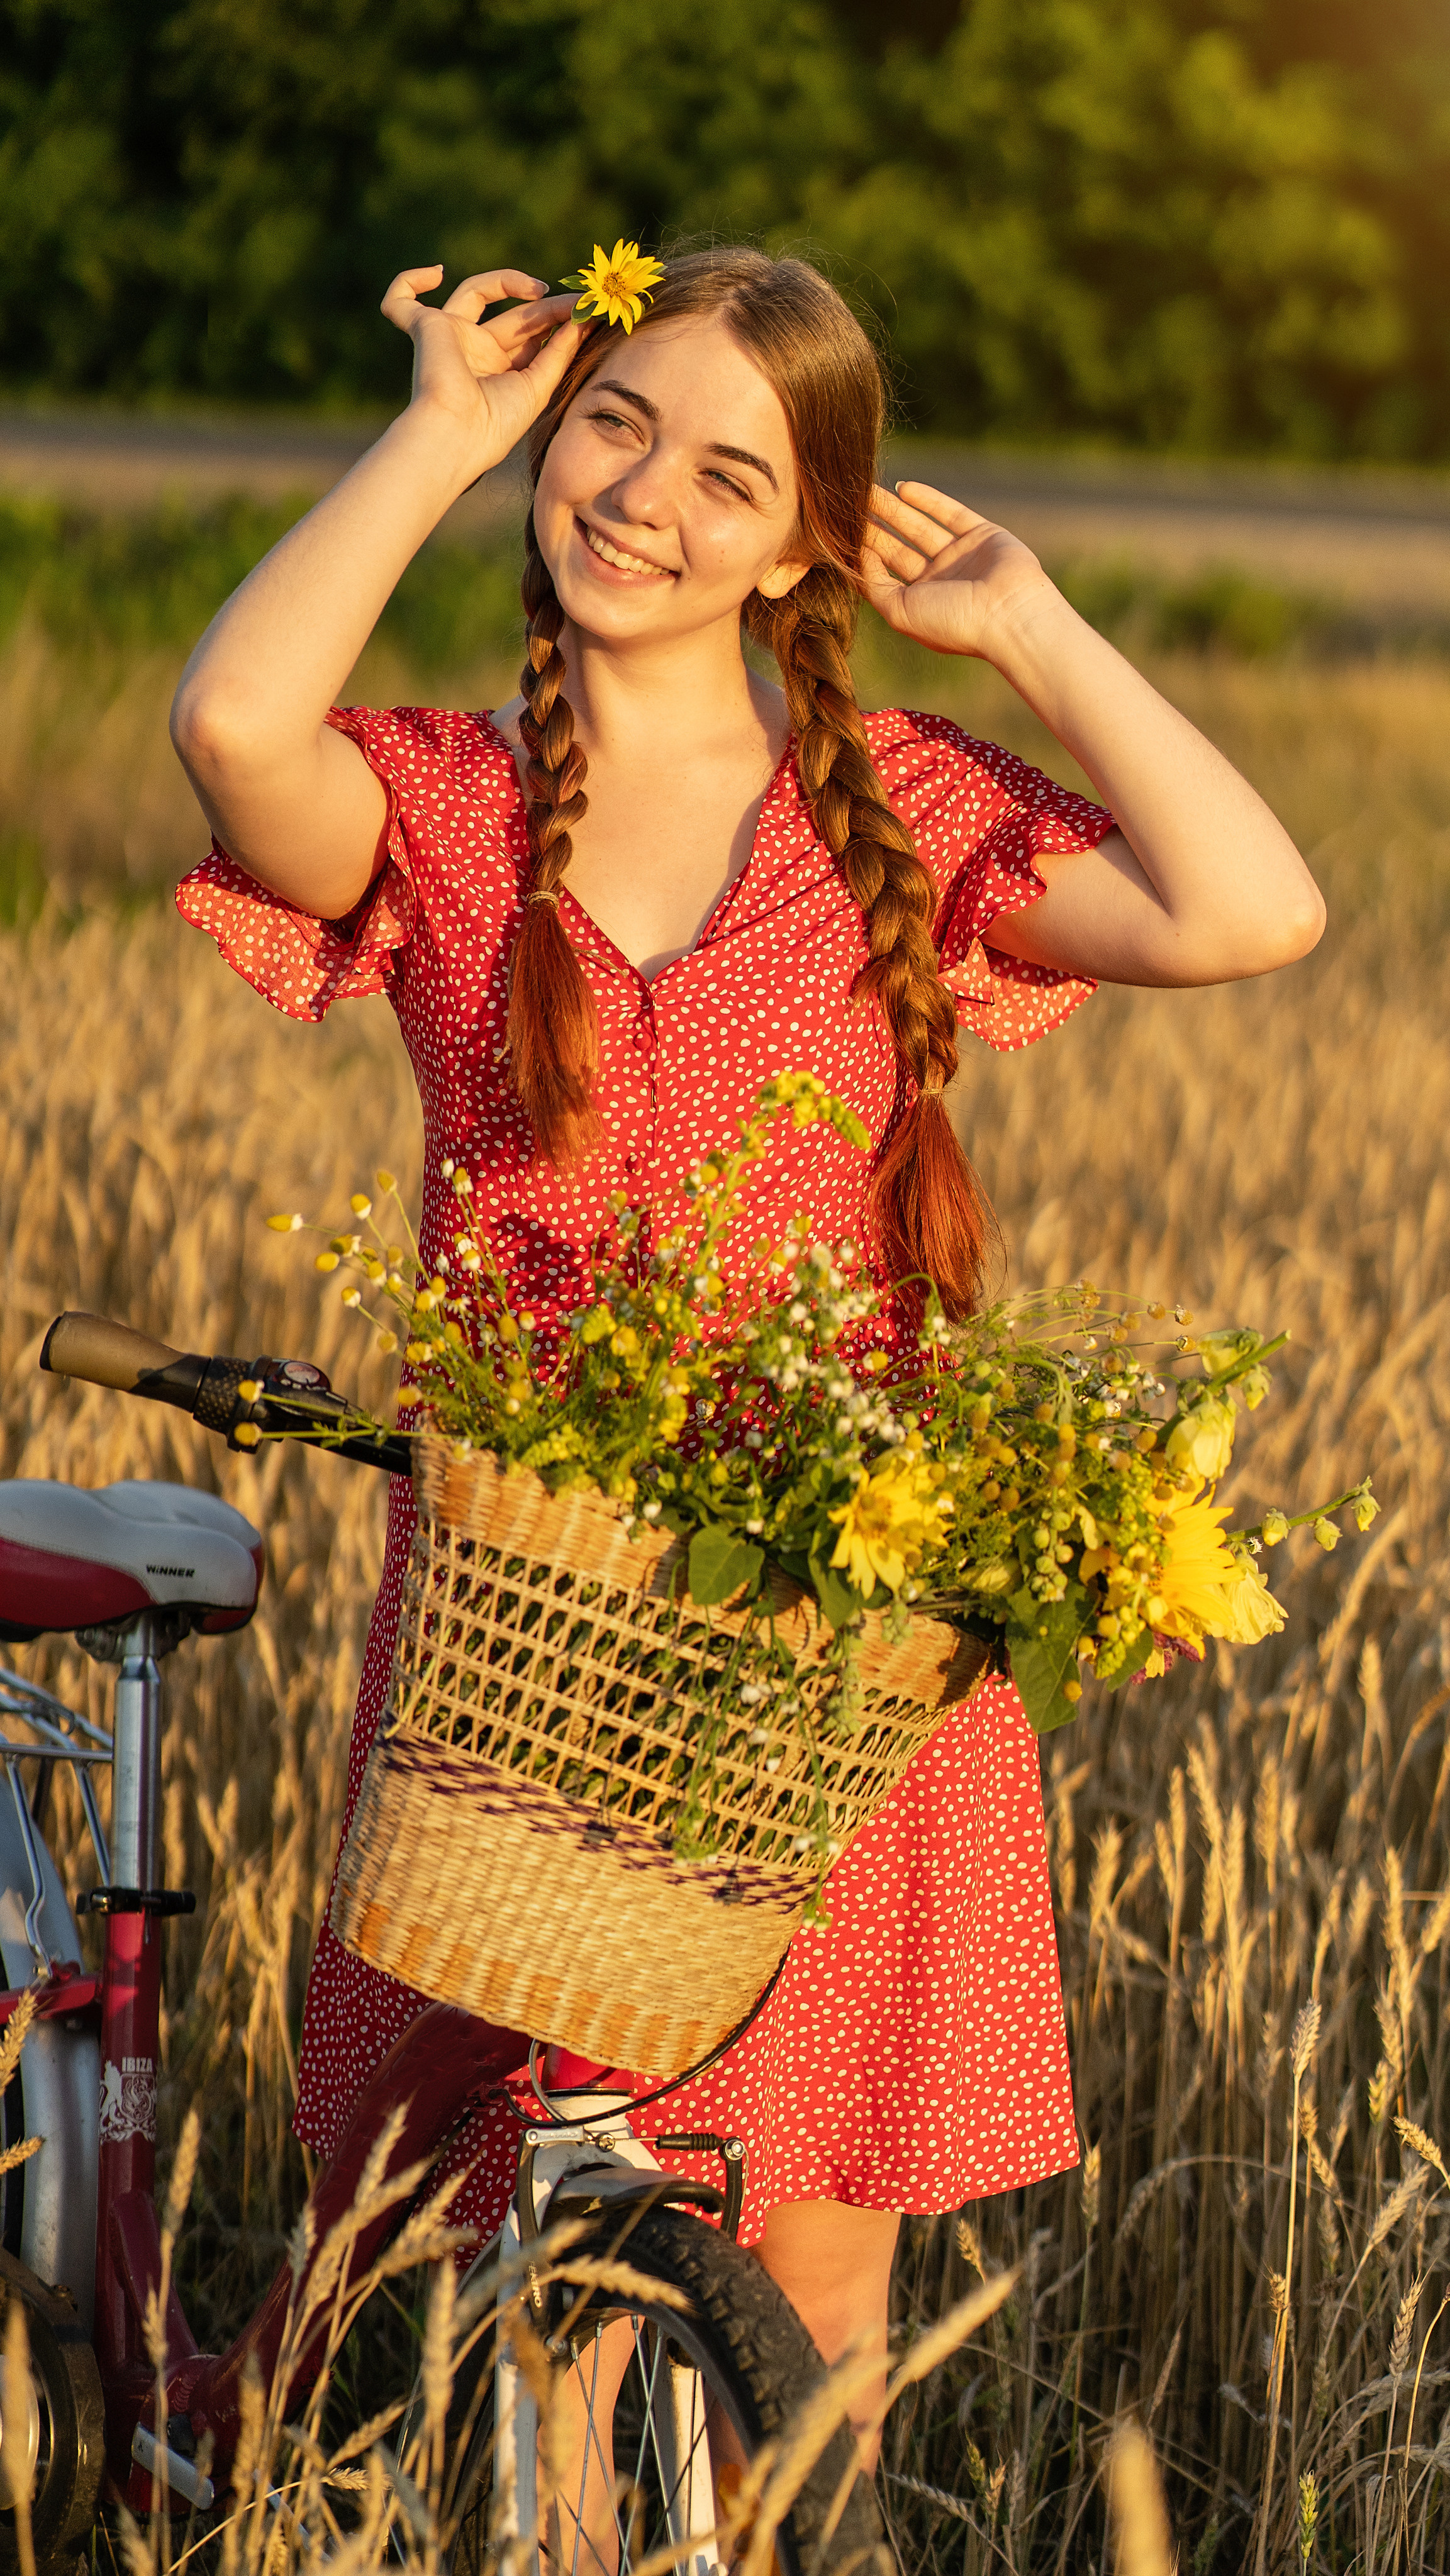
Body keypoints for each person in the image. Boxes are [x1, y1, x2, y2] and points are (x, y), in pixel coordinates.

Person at [171, 243, 1323, 2519]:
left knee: (814, 2311)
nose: (645, 503)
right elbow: (231, 734)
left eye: (729, 477)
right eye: (615, 429)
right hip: (542, 1652)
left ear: (803, 543)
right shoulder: (441, 802)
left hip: (838, 1651)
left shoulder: (898, 797)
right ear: (550, 435)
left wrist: (1033, 630)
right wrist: (436, 433)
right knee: (558, 2297)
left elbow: (1247, 910)